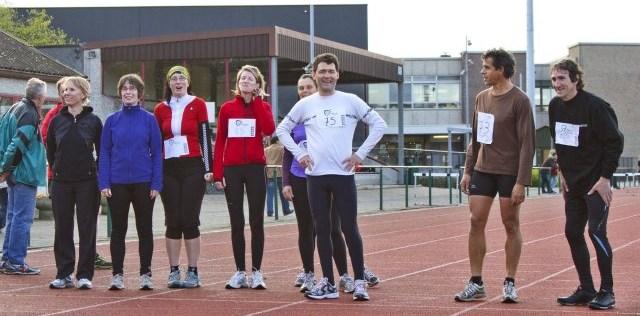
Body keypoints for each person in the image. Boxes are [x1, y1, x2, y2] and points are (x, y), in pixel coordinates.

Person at [276, 53, 386, 301]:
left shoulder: (351, 100)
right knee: (322, 229)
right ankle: (327, 282)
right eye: (322, 71)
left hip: (343, 175)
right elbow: (281, 130)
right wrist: (300, 153)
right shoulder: (306, 104)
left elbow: (379, 124)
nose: (327, 75)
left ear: (338, 74)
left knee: (349, 228)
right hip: (315, 176)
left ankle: (359, 281)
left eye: (331, 71)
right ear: (315, 74)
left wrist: (360, 154)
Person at [456, 48, 535, 303]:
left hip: (509, 173)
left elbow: (527, 143)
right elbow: (476, 137)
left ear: (501, 70)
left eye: (487, 67)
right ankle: (476, 281)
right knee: (475, 221)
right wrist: (468, 169)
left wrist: (521, 182)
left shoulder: (520, 100)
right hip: (483, 170)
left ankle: (510, 282)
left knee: (510, 224)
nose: (483, 71)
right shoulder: (481, 98)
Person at [549, 59, 623, 310]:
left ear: (575, 80)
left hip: (595, 184)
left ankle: (607, 292)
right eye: (554, 79)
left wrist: (605, 179)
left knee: (596, 232)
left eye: (562, 79)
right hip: (573, 185)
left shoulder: (596, 107)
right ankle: (586, 289)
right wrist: (562, 172)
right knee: (572, 232)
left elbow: (615, 142)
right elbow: (559, 141)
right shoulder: (555, 106)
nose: (557, 84)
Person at [41, 77, 112, 271]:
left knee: (87, 229)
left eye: (71, 90)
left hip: (87, 182)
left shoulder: (94, 121)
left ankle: (84, 275)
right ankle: (63, 273)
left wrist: (98, 175)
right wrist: (57, 171)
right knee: (62, 229)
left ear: (83, 93)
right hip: (61, 182)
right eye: (64, 90)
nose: (66, 94)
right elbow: (51, 150)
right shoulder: (56, 121)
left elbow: (103, 152)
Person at [213, 65, 275, 290]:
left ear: (257, 84)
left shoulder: (263, 106)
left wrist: (257, 102)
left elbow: (269, 129)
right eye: (242, 78)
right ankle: (240, 271)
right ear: (237, 84)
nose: (246, 81)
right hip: (232, 169)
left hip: (256, 168)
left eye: (250, 79)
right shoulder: (227, 108)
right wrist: (218, 173)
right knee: (236, 221)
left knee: (256, 221)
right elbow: (220, 141)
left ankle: (257, 271)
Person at [99, 74, 163, 290]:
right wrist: (104, 182)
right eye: (124, 88)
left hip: (144, 182)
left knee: (145, 229)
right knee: (118, 230)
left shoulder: (149, 119)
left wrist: (156, 183)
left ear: (139, 93)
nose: (128, 92)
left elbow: (157, 152)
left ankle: (145, 273)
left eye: (132, 89)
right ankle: (117, 274)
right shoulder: (111, 121)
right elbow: (105, 153)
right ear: (120, 93)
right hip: (116, 182)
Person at [154, 66, 213, 289]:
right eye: (173, 79)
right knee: (172, 219)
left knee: (189, 218)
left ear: (188, 82)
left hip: (193, 167)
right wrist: (155, 172)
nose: (178, 82)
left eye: (182, 78)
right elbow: (156, 141)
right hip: (169, 168)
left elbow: (205, 137)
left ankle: (193, 270)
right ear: (168, 84)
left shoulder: (197, 104)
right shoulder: (160, 109)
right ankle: (173, 270)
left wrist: (209, 167)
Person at [0, 78, 47, 275]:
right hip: (23, 172)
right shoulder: (29, 113)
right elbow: (18, 144)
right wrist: (6, 168)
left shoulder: (14, 108)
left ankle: (7, 258)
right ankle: (16, 261)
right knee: (22, 218)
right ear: (40, 96)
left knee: (13, 216)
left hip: (15, 172)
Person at [264, 136, 292, 216]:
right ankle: (286, 210)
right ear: (276, 141)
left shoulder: (266, 150)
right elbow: (285, 158)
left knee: (270, 194)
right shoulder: (281, 149)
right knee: (283, 192)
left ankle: (270, 212)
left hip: (270, 173)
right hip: (280, 172)